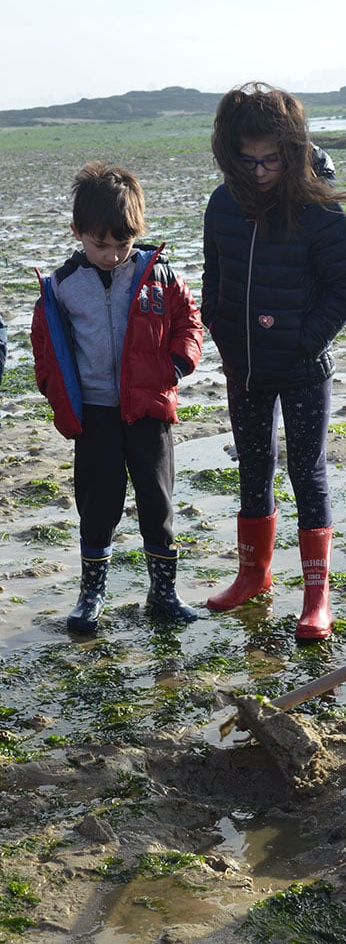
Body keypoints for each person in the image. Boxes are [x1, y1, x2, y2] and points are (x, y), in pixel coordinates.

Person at [202, 82, 346, 640]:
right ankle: (254, 576)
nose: (261, 170)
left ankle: (316, 596)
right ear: (231, 153)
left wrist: (303, 340)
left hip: (302, 369)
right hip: (244, 367)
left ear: (291, 150)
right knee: (252, 467)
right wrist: (220, 329)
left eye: (271, 159)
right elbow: (214, 276)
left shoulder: (318, 211)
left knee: (307, 473)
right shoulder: (223, 203)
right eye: (248, 160)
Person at [31, 161, 204, 634]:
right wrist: (55, 392)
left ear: (137, 233)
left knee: (158, 501)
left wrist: (176, 365)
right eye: (99, 244)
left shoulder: (160, 275)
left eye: (122, 244)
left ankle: (163, 593)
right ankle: (92, 594)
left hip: (149, 409)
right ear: (78, 233)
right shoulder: (62, 286)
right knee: (98, 503)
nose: (111, 255)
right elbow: (44, 347)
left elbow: (190, 323)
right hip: (95, 415)